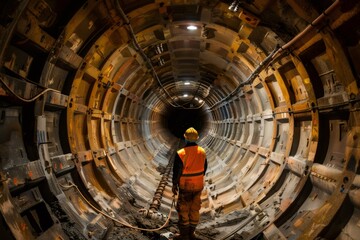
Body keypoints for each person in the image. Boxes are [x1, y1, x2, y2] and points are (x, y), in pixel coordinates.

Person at [172, 127, 207, 240]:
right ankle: (191, 234)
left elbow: (177, 171)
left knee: (183, 210)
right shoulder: (202, 151)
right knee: (194, 209)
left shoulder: (181, 153)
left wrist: (174, 184)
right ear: (197, 138)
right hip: (198, 186)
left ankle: (184, 235)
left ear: (185, 138)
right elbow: (204, 167)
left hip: (185, 186)